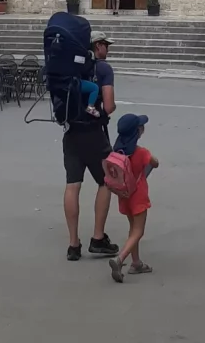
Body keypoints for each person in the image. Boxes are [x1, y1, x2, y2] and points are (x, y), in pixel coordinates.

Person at [63, 31, 118, 261]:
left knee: (72, 185)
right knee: (106, 181)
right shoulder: (103, 69)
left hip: (71, 133)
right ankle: (97, 238)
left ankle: (73, 244)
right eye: (106, 44)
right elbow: (110, 105)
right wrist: (100, 113)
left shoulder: (69, 69)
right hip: (94, 135)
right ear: (97, 46)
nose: (108, 49)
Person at [108, 113, 159, 283]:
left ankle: (136, 263)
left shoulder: (117, 153)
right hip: (138, 195)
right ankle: (120, 259)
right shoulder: (141, 152)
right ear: (137, 132)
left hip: (124, 195)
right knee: (139, 231)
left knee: (132, 229)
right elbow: (155, 162)